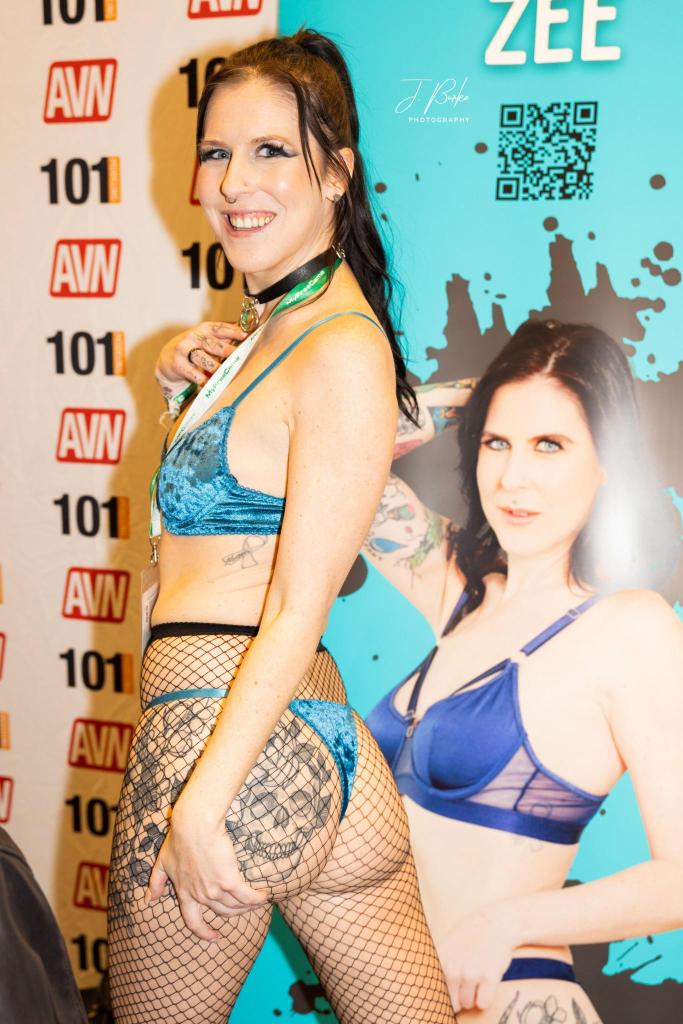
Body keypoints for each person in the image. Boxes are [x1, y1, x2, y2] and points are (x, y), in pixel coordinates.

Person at [107, 28, 456, 1024]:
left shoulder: (337, 344)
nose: (233, 182)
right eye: (217, 152)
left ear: (336, 174)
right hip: (322, 760)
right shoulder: (279, 329)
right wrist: (183, 388)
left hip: (219, 745)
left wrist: (201, 803)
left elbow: (299, 605)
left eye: (270, 151)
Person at [362, 319, 683, 1021]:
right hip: (395, 1002)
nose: (512, 479)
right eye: (495, 443)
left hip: (513, 997)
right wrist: (479, 396)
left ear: (609, 460)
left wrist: (503, 922)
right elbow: (347, 455)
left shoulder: (629, 627)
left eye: (550, 445)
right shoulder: (456, 589)